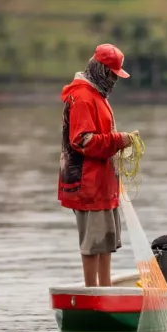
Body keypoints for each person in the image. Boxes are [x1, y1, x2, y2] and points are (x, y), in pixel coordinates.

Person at [58, 43, 137, 287]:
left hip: (103, 183)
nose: (114, 80)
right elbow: (82, 141)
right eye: (113, 74)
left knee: (105, 240)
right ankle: (93, 291)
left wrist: (119, 141)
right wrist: (118, 140)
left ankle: (105, 289)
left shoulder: (96, 95)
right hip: (88, 184)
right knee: (93, 243)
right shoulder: (82, 97)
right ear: (102, 70)